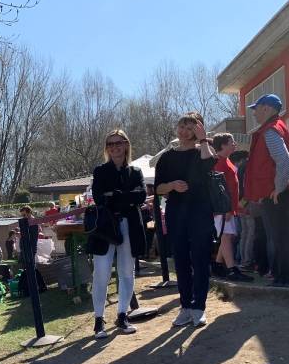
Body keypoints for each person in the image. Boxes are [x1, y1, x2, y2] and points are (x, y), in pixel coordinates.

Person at [155, 113, 217, 327]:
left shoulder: (203, 150)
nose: (184, 131)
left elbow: (210, 164)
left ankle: (199, 307)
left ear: (198, 130)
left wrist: (203, 139)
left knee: (200, 260)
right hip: (176, 213)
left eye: (190, 128)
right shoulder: (167, 157)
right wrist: (172, 185)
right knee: (180, 261)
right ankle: (185, 306)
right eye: (182, 126)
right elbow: (158, 188)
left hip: (200, 212)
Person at [244, 94, 289, 288]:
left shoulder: (271, 130)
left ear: (267, 108)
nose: (254, 113)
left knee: (282, 236)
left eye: (256, 108)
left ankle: (288, 279)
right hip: (281, 191)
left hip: (280, 193)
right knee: (281, 236)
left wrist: (278, 189)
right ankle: (283, 277)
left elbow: (283, 160)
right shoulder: (276, 128)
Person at [88, 129, 146, 337]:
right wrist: (126, 197)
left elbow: (141, 196)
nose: (114, 147)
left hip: (129, 225)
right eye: (110, 144)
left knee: (126, 271)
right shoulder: (101, 171)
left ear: (126, 144)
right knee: (101, 273)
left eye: (118, 143)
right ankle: (98, 319)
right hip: (106, 227)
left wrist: (116, 196)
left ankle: (122, 314)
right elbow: (99, 198)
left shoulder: (136, 172)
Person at [211, 133, 252, 282]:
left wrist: (235, 207)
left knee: (226, 237)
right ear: (222, 145)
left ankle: (217, 266)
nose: (234, 144)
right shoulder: (218, 162)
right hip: (223, 208)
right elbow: (219, 189)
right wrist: (227, 209)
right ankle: (231, 269)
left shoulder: (225, 161)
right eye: (231, 142)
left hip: (228, 207)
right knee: (226, 236)